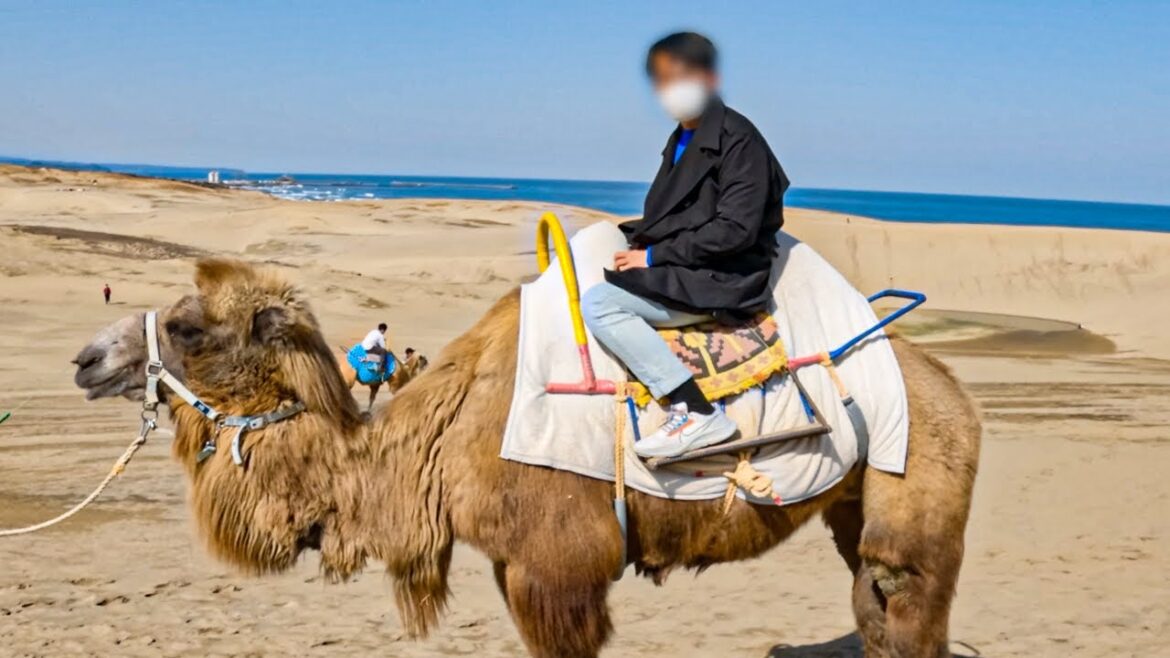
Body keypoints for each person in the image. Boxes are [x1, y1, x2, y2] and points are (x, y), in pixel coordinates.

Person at [581, 32, 789, 459]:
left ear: (709, 78)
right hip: (690, 264)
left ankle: (694, 410)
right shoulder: (682, 137)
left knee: (601, 305)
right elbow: (680, 214)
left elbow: (735, 229)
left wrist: (653, 256)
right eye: (662, 79)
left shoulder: (739, 140)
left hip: (723, 276)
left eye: (680, 76)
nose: (670, 89)